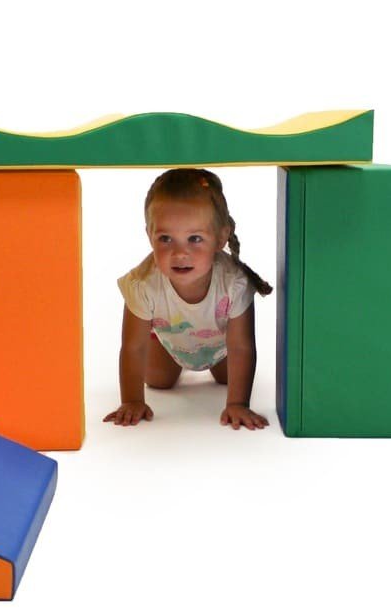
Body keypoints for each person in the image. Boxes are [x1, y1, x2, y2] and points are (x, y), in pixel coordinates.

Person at [105, 167, 273, 430]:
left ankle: (221, 373)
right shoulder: (144, 284)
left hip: (221, 346)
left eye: (194, 238)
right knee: (159, 380)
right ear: (149, 235)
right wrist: (132, 400)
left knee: (228, 379)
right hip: (170, 344)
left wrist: (238, 404)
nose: (180, 253)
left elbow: (241, 346)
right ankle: (165, 349)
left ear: (221, 237)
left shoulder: (234, 283)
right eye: (165, 238)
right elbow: (133, 347)